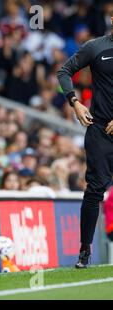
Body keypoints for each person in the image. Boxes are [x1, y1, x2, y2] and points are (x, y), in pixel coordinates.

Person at [57, 11, 113, 268]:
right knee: (95, 190)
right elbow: (64, 71)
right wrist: (75, 102)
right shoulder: (96, 47)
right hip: (100, 129)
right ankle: (84, 251)